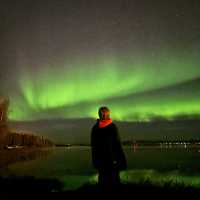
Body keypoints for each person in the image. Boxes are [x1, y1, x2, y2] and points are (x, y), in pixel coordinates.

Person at [91, 106, 127, 190]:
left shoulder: (112, 127)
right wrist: (94, 160)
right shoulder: (95, 128)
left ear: (108, 114)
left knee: (114, 182)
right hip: (100, 161)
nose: (103, 116)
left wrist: (122, 159)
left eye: (105, 114)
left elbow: (118, 144)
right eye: (101, 114)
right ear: (99, 114)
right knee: (102, 183)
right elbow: (94, 146)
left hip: (113, 160)